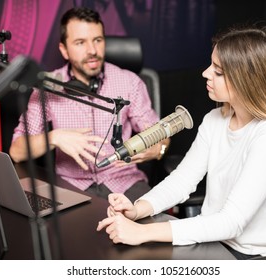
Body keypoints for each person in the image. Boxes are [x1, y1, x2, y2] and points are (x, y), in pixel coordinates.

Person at [97, 24, 266, 259]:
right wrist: (138, 209)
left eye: (218, 72)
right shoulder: (215, 119)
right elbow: (182, 181)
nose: (206, 73)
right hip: (215, 243)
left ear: (248, 80)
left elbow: (232, 222)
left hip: (253, 257)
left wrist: (142, 232)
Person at [9, 7, 169, 202]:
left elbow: (160, 133)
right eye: (80, 43)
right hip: (71, 186)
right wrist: (54, 137)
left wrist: (159, 148)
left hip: (125, 183)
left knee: (148, 227)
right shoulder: (47, 87)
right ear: (64, 50)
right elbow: (16, 152)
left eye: (98, 40)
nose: (92, 51)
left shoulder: (129, 82)